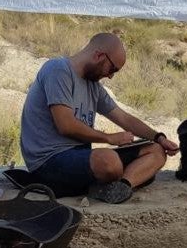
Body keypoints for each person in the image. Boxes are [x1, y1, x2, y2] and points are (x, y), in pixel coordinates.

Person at [20, 32, 179, 204]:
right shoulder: (58, 70)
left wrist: (159, 137)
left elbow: (124, 118)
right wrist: (109, 138)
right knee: (109, 161)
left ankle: (121, 186)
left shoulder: (93, 86)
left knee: (156, 151)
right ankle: (124, 178)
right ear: (99, 55)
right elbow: (65, 125)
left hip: (82, 158)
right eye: (113, 69)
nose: (110, 76)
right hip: (48, 161)